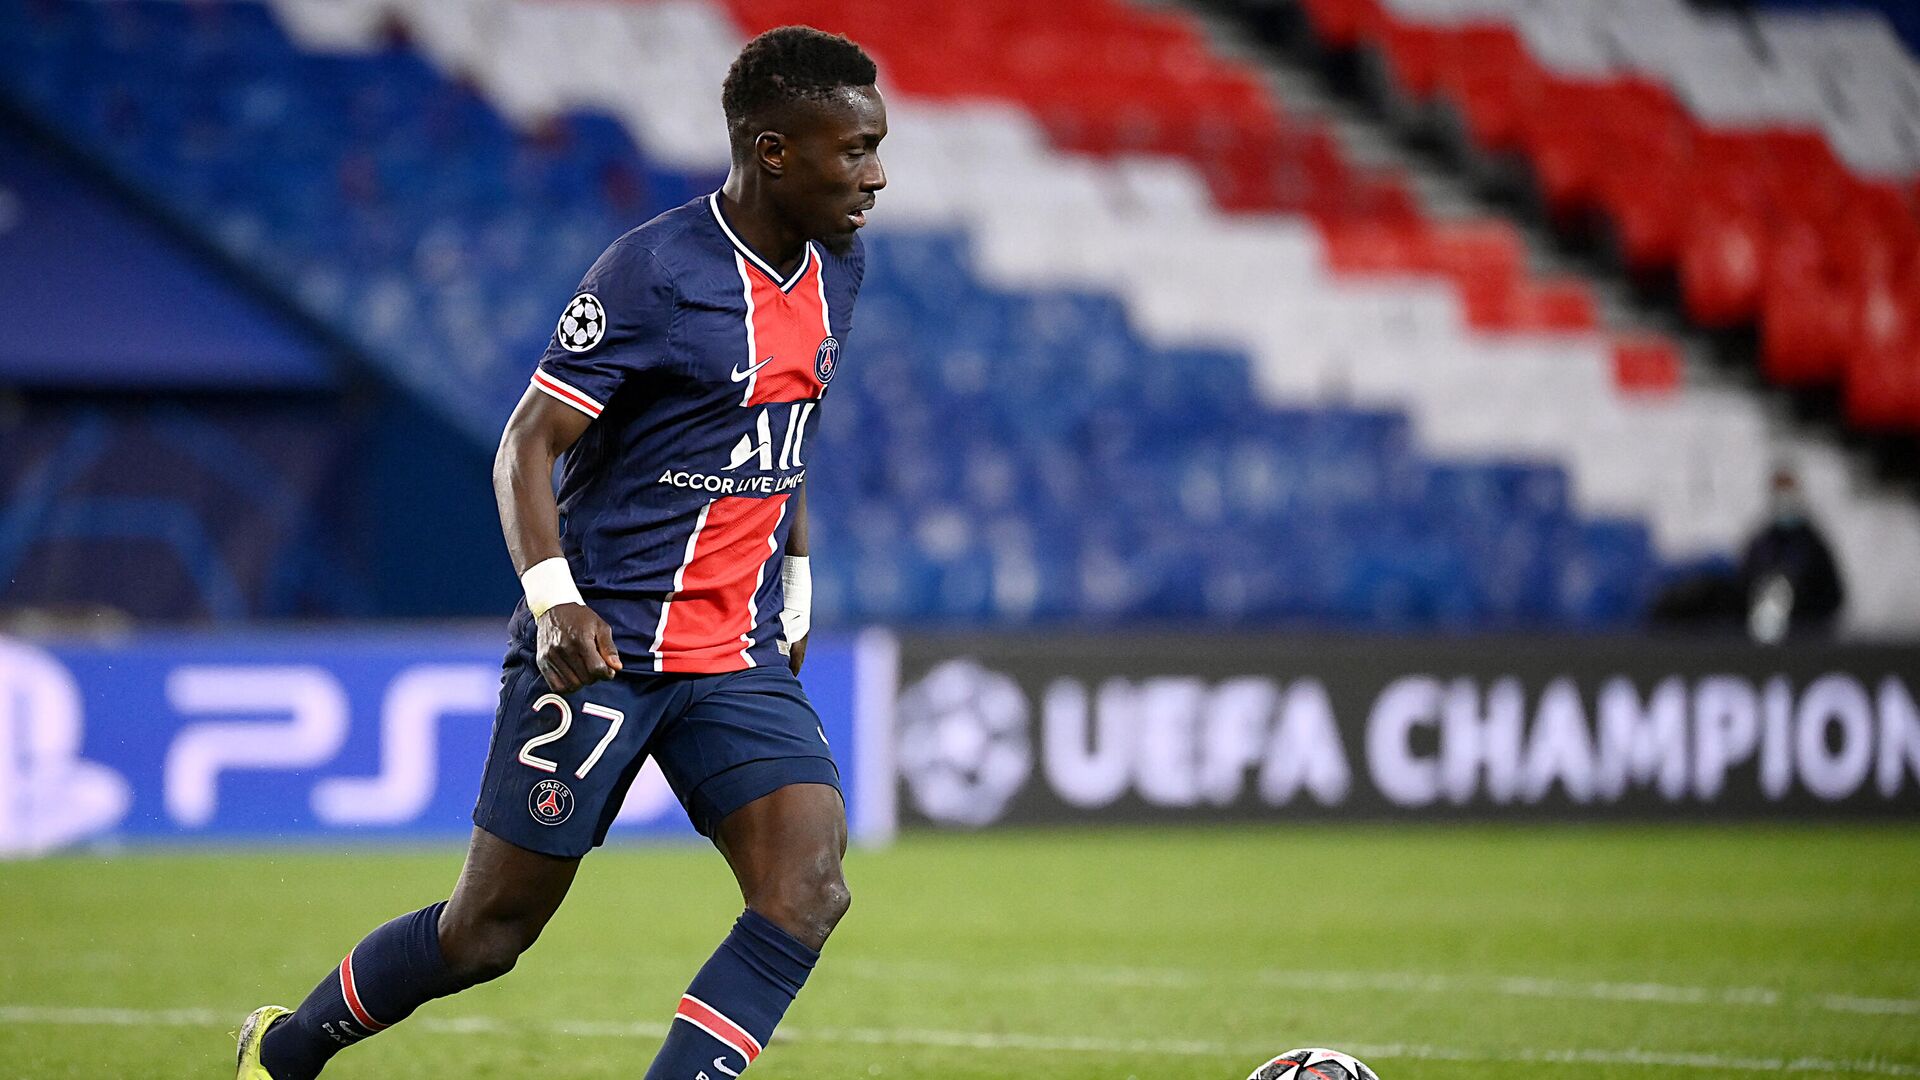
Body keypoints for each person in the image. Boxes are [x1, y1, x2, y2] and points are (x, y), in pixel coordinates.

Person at [235, 25, 886, 1079]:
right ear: (773, 150)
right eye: (853, 150)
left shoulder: (838, 269)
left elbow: (785, 429)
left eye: (876, 147)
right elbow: (526, 444)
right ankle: (288, 1050)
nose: (876, 175)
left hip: (735, 652)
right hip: (604, 644)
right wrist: (554, 602)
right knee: (487, 933)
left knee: (807, 890)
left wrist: (797, 583)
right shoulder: (655, 273)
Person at [1740, 465, 1845, 642]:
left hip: (1808, 638)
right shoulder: (1762, 542)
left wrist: (1802, 605)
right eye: (1779, 492)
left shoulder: (1813, 544)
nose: (1784, 499)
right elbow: (1744, 586)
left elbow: (1834, 595)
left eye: (1788, 491)